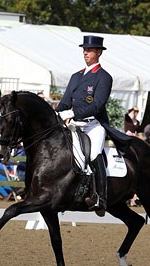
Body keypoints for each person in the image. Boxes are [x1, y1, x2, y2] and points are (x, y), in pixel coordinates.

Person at [56, 35, 131, 214]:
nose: (85, 53)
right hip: (74, 124)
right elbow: (66, 101)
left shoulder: (104, 77)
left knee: (94, 154)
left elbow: (97, 105)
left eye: (89, 50)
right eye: (84, 50)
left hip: (93, 125)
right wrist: (58, 113)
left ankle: (100, 197)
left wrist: (73, 112)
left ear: (98, 52)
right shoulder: (76, 76)